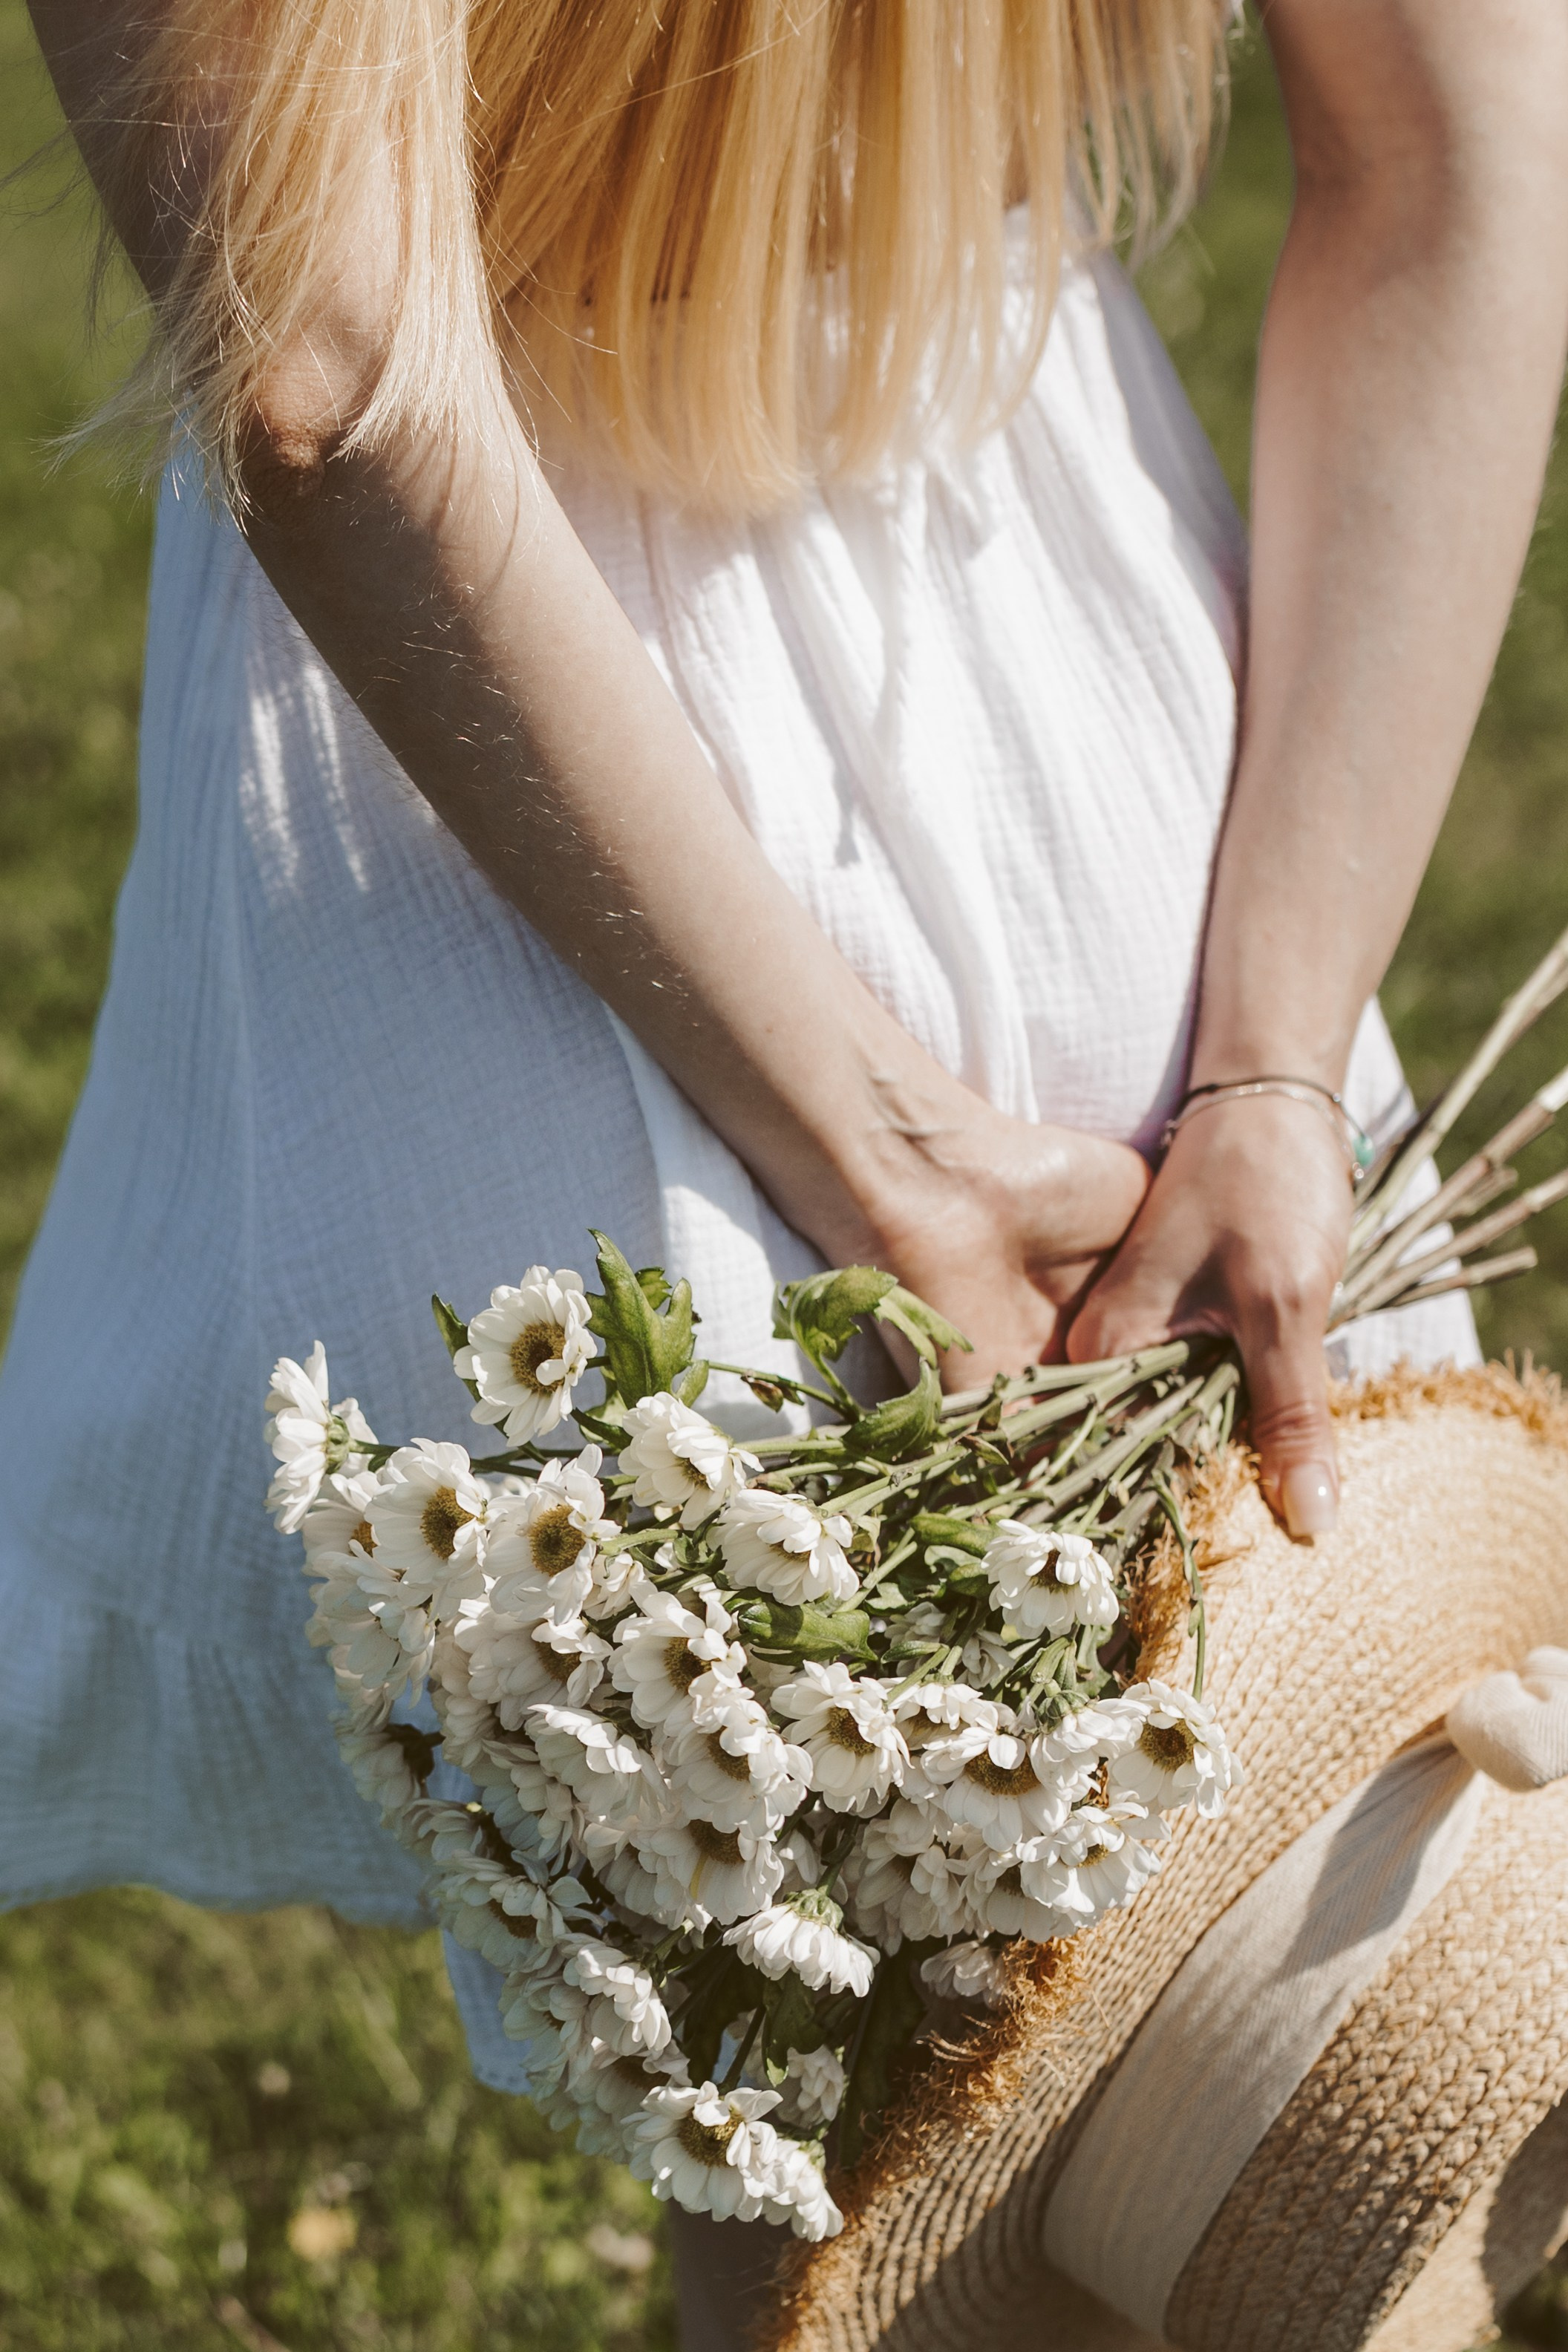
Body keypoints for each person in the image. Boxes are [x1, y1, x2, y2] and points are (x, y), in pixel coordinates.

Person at [4, 0, 1566, 2338]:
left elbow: (328, 353)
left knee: (901, 2078)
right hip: (1002, 658)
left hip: (492, 737)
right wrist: (1257, 1059)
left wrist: (910, 1145)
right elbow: (1459, 153)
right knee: (1128, 1958)